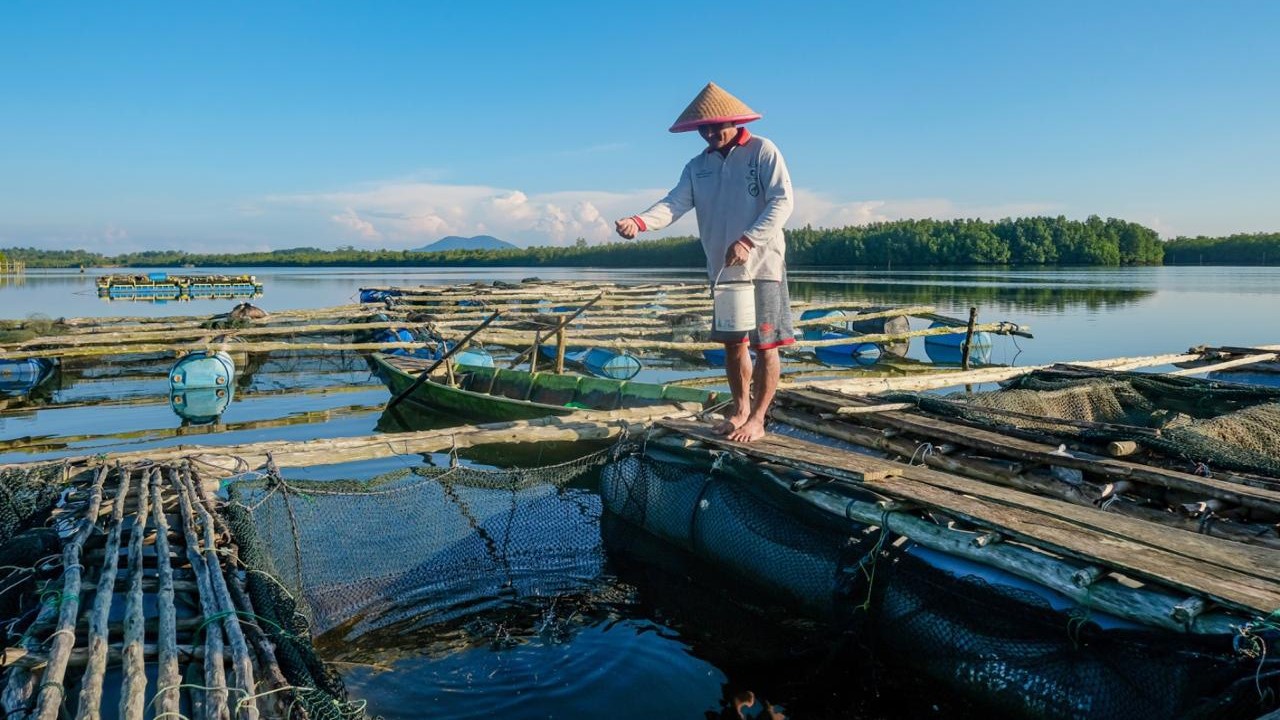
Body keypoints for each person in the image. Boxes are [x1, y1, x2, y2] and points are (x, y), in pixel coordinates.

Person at [615, 82, 793, 443]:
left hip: (762, 267)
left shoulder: (762, 151)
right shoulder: (698, 166)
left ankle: (759, 418)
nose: (711, 133)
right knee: (733, 344)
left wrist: (748, 239)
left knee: (766, 345)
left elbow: (782, 201)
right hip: (724, 271)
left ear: (734, 121)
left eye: (717, 126)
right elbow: (673, 204)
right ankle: (739, 409)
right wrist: (640, 222)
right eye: (704, 129)